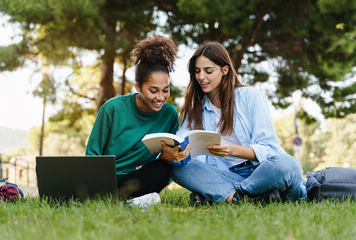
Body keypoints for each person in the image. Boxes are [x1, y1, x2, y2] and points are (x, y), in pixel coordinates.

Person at [160, 41, 304, 204]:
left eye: (208, 71)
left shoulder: (250, 96)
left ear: (224, 70)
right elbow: (181, 142)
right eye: (197, 71)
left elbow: (269, 148)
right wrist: (171, 152)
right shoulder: (196, 110)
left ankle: (230, 195)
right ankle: (245, 198)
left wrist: (231, 150)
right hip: (225, 175)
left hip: (262, 173)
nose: (201, 77)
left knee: (287, 165)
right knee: (176, 166)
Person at [85, 35, 181, 206]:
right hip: (108, 180)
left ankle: (120, 200)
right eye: (153, 91)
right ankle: (125, 200)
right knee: (96, 188)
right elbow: (93, 154)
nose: (160, 97)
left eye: (165, 90)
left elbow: (167, 155)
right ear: (138, 87)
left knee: (162, 170)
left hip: (140, 178)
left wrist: (172, 156)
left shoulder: (170, 114)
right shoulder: (112, 108)